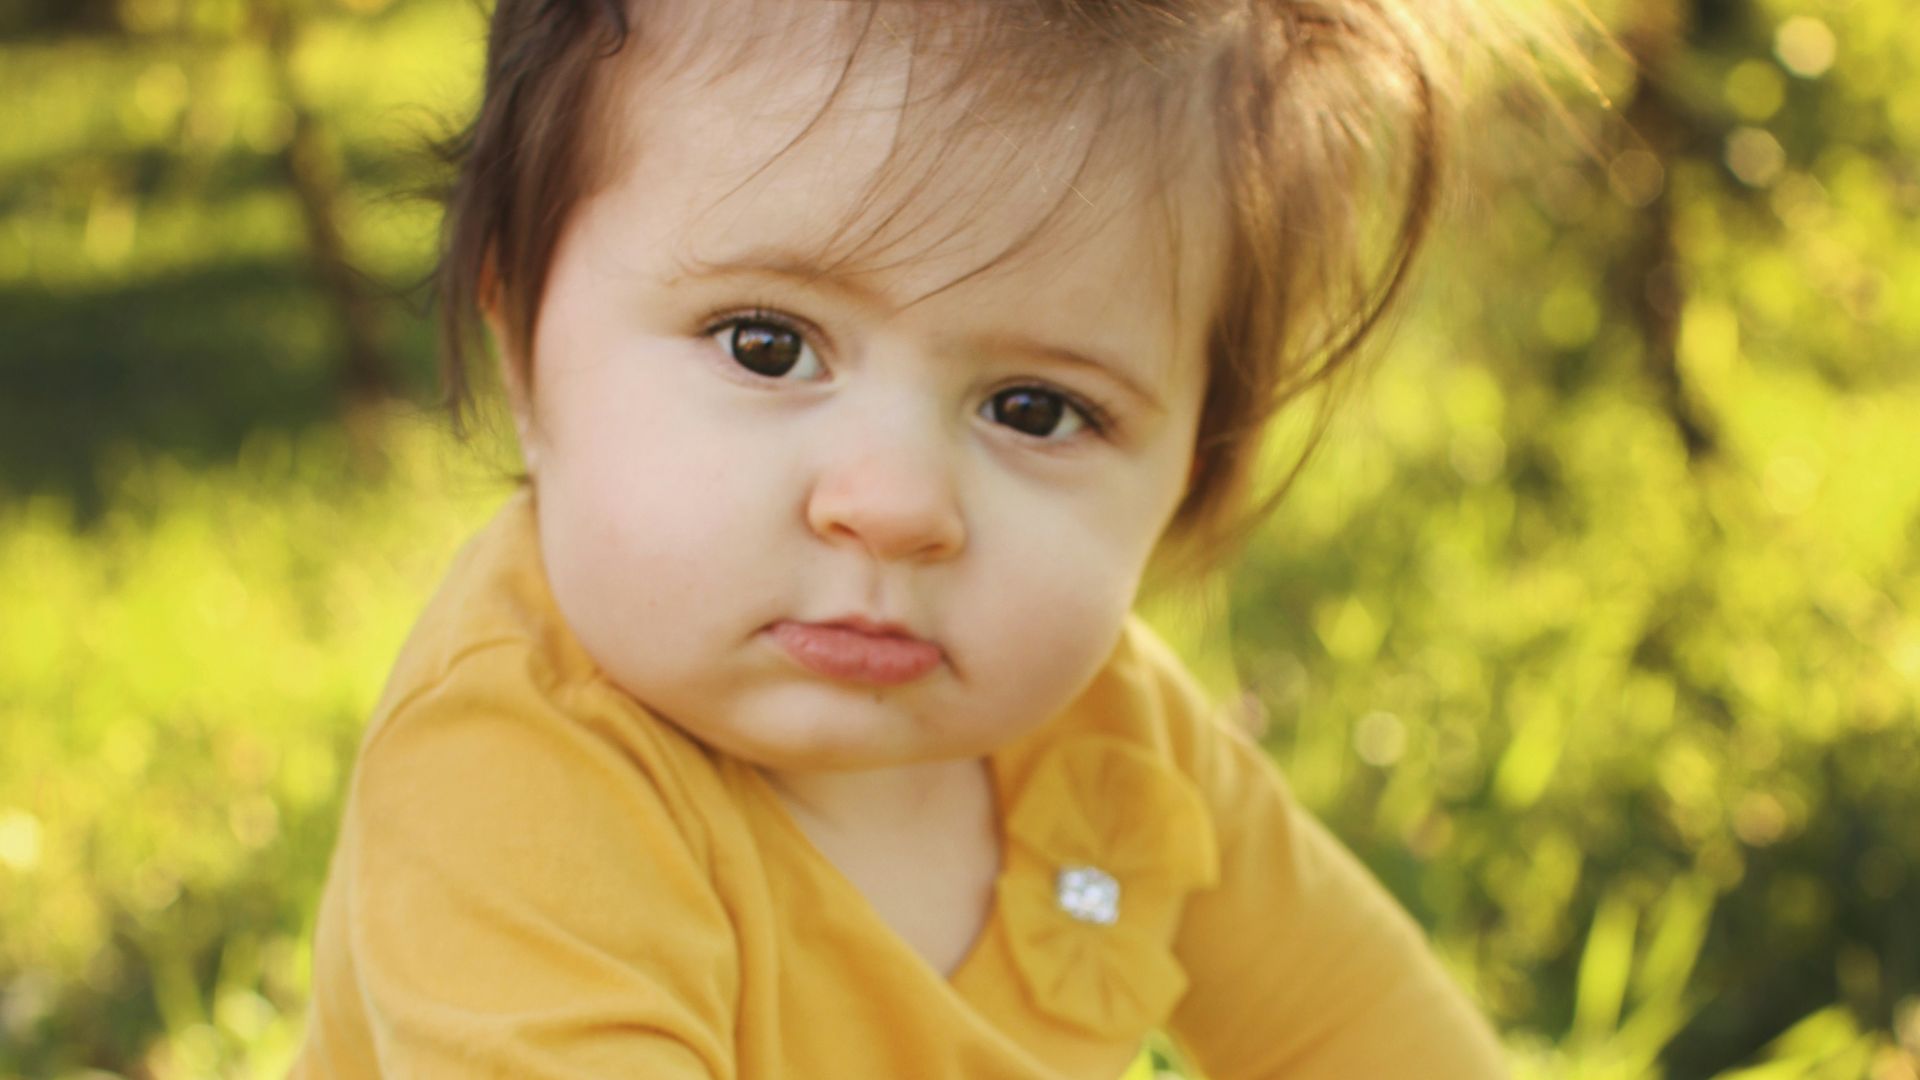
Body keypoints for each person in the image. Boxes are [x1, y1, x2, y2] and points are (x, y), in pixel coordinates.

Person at [292, 0, 1544, 1075]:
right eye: (767, 345)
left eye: (1035, 409)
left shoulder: (1107, 745)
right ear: (520, 338)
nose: (894, 504)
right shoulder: (513, 784)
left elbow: (1368, 1034)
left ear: (1193, 467)